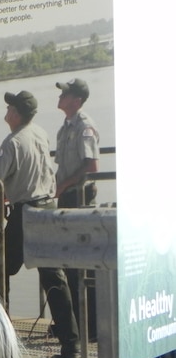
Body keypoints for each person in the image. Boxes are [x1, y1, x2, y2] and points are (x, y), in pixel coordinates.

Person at [0, 90, 80, 358]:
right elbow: (32, 173)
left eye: (9, 107)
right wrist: (8, 195)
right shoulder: (39, 133)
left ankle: (0, 338)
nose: (6, 110)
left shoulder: (12, 142)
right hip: (47, 210)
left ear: (15, 113)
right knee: (54, 278)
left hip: (25, 214)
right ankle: (71, 345)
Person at [55, 78, 100, 341]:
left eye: (66, 94)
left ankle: (91, 326)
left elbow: (90, 166)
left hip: (79, 198)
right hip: (67, 196)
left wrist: (63, 186)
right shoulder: (66, 127)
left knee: (83, 263)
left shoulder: (85, 126)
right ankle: (75, 323)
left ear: (77, 101)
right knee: (68, 262)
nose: (60, 97)